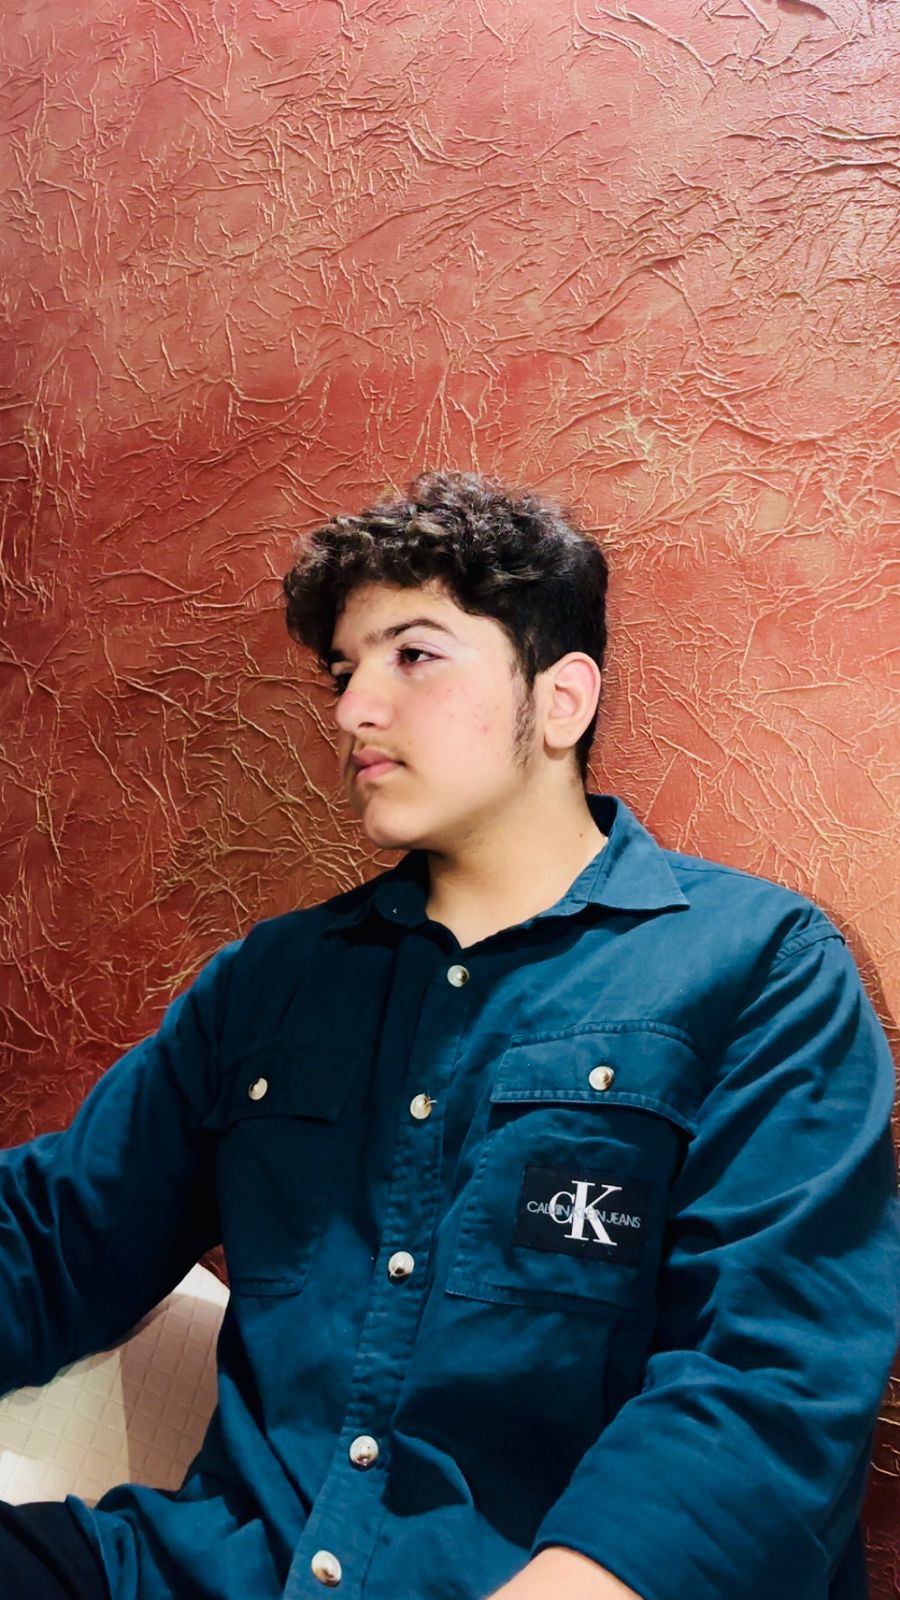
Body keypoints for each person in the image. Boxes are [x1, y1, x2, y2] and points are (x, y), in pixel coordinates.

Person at [0, 469, 898, 1600]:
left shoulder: (759, 965)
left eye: (413, 655)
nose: (353, 711)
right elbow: (55, 1238)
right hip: (218, 1567)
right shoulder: (272, 982)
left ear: (562, 699)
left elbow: (771, 1379)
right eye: (344, 672)